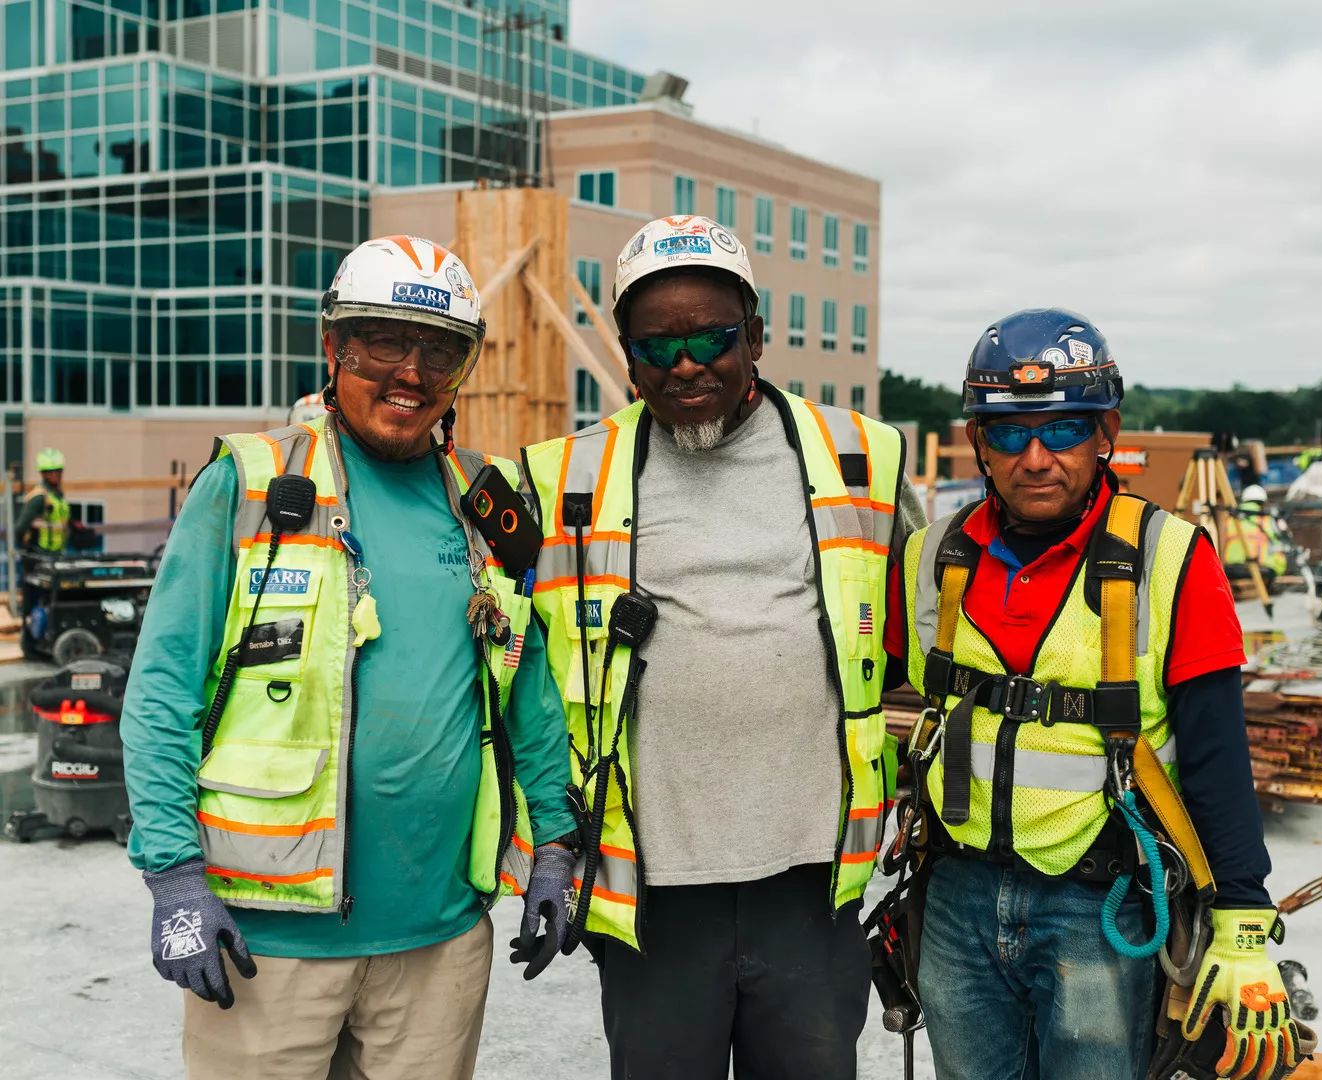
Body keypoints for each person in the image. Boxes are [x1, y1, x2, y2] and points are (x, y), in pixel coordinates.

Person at [121, 235, 577, 1079]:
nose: (411, 371)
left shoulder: (486, 504)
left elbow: (526, 691)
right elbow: (161, 694)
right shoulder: (251, 488)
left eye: (438, 349)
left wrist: (554, 844)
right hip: (266, 942)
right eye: (382, 342)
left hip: (439, 940)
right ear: (334, 349)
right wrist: (175, 875)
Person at [519, 214, 925, 1078]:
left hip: (815, 883)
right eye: (658, 346)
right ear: (627, 355)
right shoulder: (562, 479)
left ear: (758, 338)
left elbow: (924, 641)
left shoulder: (864, 459)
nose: (688, 365)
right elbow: (507, 670)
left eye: (713, 337)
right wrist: (549, 840)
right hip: (651, 887)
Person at [897, 309, 1303, 1080]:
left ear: (1106, 433)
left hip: (1102, 905)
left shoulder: (1171, 558)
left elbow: (1216, 746)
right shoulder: (933, 558)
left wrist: (1242, 911)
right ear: (979, 442)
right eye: (1010, 434)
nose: (1037, 457)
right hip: (957, 893)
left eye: (1066, 430)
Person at [1225, 484, 1290, 584]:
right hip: (1259, 568)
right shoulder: (1266, 518)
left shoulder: (1230, 518)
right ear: (1263, 502)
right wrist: (1279, 570)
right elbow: (1281, 543)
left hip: (1230, 568)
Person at [16, 448, 72, 553]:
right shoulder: (39, 497)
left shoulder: (58, 495)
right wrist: (25, 547)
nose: (54, 475)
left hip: (58, 552)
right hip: (40, 553)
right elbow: (20, 527)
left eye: (58, 470)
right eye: (49, 472)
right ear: (42, 473)